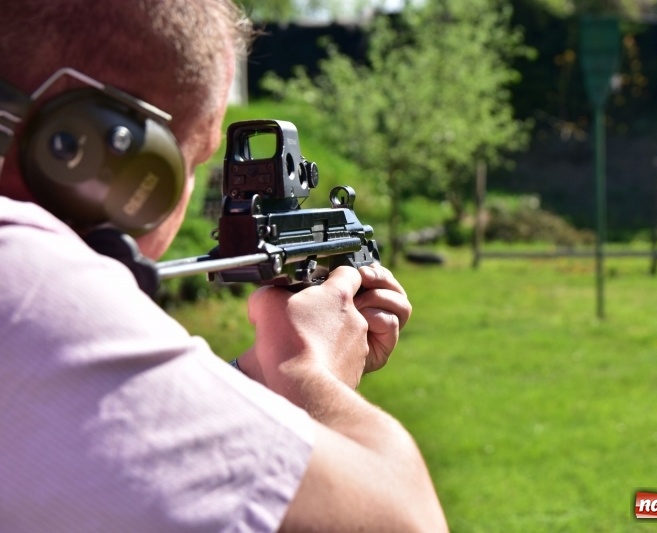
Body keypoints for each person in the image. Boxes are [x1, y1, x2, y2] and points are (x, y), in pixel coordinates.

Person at [0, 1, 448, 531]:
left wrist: (253, 382)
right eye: (189, 163)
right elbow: (400, 518)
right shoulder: (25, 280)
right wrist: (309, 373)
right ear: (95, 147)